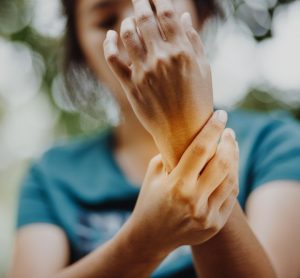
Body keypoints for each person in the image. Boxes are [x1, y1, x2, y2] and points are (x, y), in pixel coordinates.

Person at [10, 0, 300, 277]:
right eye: (106, 20)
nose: (133, 30)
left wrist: (185, 130)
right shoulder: (52, 176)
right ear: (81, 50)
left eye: (155, 7)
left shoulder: (273, 144)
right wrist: (143, 242)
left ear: (203, 15)